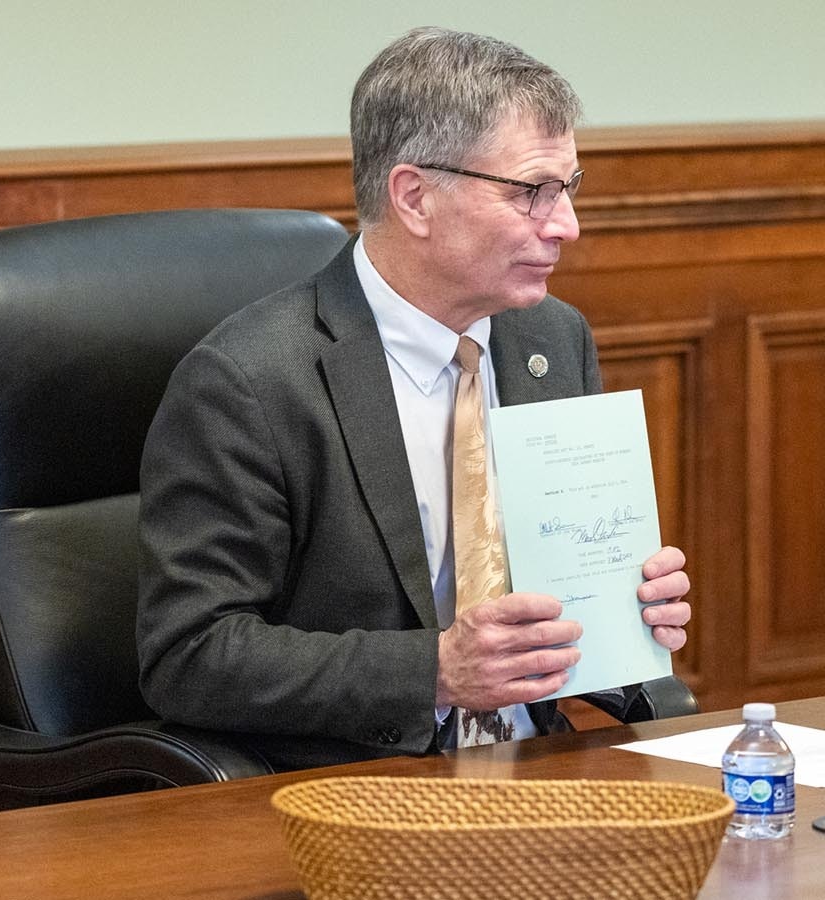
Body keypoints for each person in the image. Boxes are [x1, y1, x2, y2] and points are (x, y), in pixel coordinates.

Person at [135, 27, 691, 771]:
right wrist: (434, 669)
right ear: (415, 197)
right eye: (532, 191)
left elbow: (560, 583)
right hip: (351, 795)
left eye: (568, 189)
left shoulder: (552, 339)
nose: (567, 225)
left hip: (545, 773)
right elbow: (190, 653)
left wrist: (629, 607)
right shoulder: (251, 381)